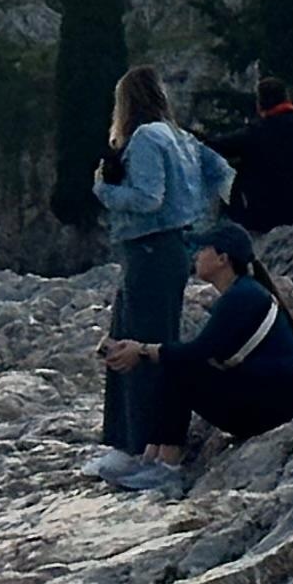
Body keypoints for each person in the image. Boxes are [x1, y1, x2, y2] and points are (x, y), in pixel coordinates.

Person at [85, 65, 231, 479]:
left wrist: (104, 189)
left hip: (150, 247)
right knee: (139, 340)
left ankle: (139, 447)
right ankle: (133, 443)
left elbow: (148, 198)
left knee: (137, 347)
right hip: (167, 246)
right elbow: (221, 174)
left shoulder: (147, 137)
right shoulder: (179, 137)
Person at [97, 222, 293, 494]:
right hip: (271, 403)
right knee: (175, 363)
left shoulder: (242, 297)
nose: (195, 255)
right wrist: (146, 351)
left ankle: (167, 468)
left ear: (223, 259)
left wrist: (143, 350)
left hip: (268, 412)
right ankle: (152, 457)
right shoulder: (245, 293)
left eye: (202, 248)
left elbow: (200, 353)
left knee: (180, 367)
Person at [213, 75, 293, 233]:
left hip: (274, 216)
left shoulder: (258, 132)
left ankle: (231, 233)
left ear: (259, 104)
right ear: (287, 98)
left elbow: (217, 146)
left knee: (232, 173)